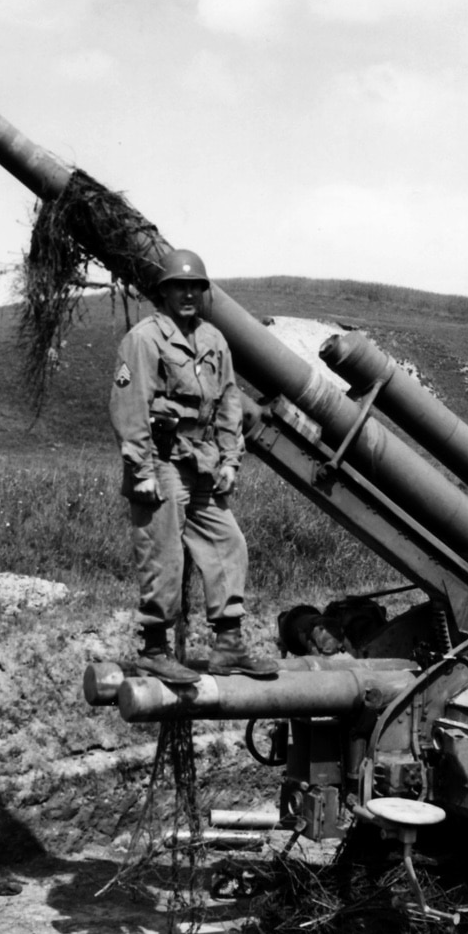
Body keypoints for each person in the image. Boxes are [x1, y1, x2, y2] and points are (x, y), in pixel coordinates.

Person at [109, 247, 277, 683]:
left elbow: (228, 403)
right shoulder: (145, 339)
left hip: (202, 463)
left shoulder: (213, 340)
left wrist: (230, 461)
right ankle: (154, 649)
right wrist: (141, 471)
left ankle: (228, 645)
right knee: (164, 555)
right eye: (178, 287)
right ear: (163, 293)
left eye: (195, 287)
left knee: (228, 544)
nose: (187, 294)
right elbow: (130, 407)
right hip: (162, 463)